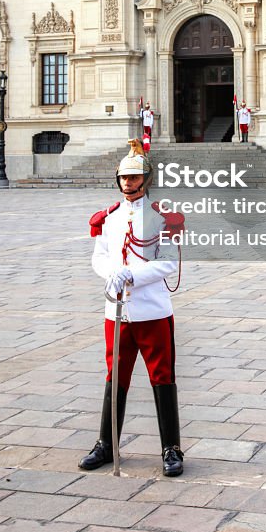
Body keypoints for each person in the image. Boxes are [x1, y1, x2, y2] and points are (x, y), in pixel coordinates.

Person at [79, 139, 185, 477]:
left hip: (152, 309)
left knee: (162, 377)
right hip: (118, 311)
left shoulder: (161, 217)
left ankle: (171, 448)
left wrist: (133, 275)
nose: (129, 183)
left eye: (135, 178)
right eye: (125, 178)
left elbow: (168, 263)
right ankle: (106, 444)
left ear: (146, 179)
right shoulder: (108, 217)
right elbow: (98, 256)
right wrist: (111, 272)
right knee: (116, 376)